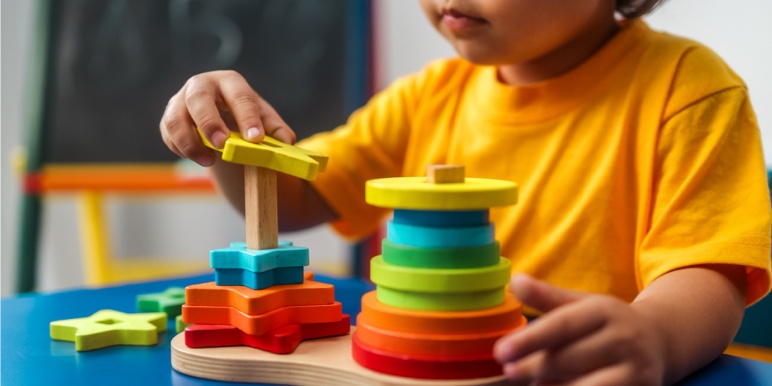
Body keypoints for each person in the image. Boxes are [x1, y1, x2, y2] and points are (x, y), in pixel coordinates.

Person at [160, 0, 772, 384]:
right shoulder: (425, 96)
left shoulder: (689, 90)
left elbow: (707, 271)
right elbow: (291, 201)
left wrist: (657, 341)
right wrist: (230, 141)